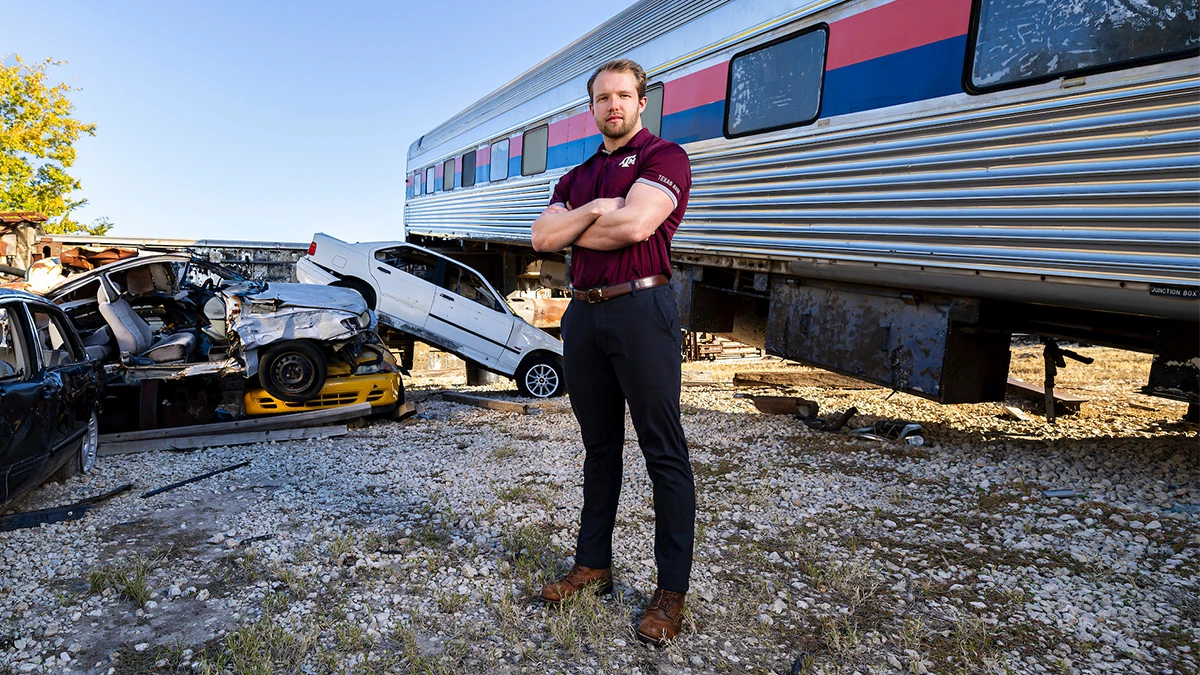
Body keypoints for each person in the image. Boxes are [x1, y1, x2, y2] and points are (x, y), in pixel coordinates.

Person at [530, 58, 694, 645]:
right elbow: (543, 239)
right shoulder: (574, 177)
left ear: (641, 102)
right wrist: (602, 208)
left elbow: (633, 229)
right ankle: (593, 564)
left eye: (624, 96)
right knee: (599, 450)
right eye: (603, 98)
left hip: (640, 307)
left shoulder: (663, 158)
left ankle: (670, 590)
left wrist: (588, 222)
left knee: (662, 450)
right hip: (583, 314)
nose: (614, 106)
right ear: (592, 107)